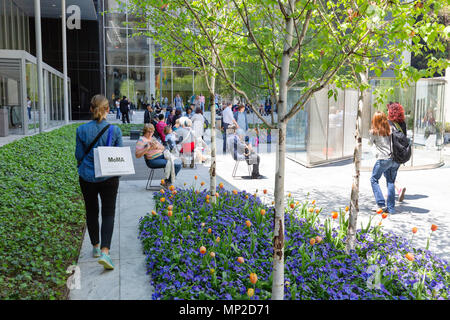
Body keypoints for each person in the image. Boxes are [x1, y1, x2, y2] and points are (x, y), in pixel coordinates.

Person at [75, 94, 123, 270]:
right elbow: (119, 157)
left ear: (90, 109)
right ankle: (105, 252)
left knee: (91, 210)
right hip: (109, 177)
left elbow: (79, 155)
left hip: (87, 176)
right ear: (108, 110)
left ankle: (95, 247)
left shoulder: (81, 130)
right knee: (108, 213)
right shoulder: (115, 130)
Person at [369, 111, 400, 214]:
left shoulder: (374, 131)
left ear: (375, 120)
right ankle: (391, 208)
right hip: (394, 159)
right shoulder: (391, 129)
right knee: (390, 181)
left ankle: (380, 203)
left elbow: (370, 143)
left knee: (374, 179)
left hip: (383, 159)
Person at [135, 124, 181, 188]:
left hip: (161, 155)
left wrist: (157, 146)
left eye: (152, 131)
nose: (151, 133)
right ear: (145, 131)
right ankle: (167, 183)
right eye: (149, 131)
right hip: (152, 160)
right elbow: (137, 155)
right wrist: (147, 148)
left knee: (178, 163)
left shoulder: (153, 138)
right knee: (171, 163)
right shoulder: (141, 140)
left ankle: (167, 181)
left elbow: (163, 148)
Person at [387, 102, 407, 202]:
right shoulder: (403, 123)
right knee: (392, 173)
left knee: (388, 175)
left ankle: (397, 189)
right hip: (400, 154)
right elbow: (405, 138)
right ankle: (395, 190)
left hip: (391, 153)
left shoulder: (389, 123)